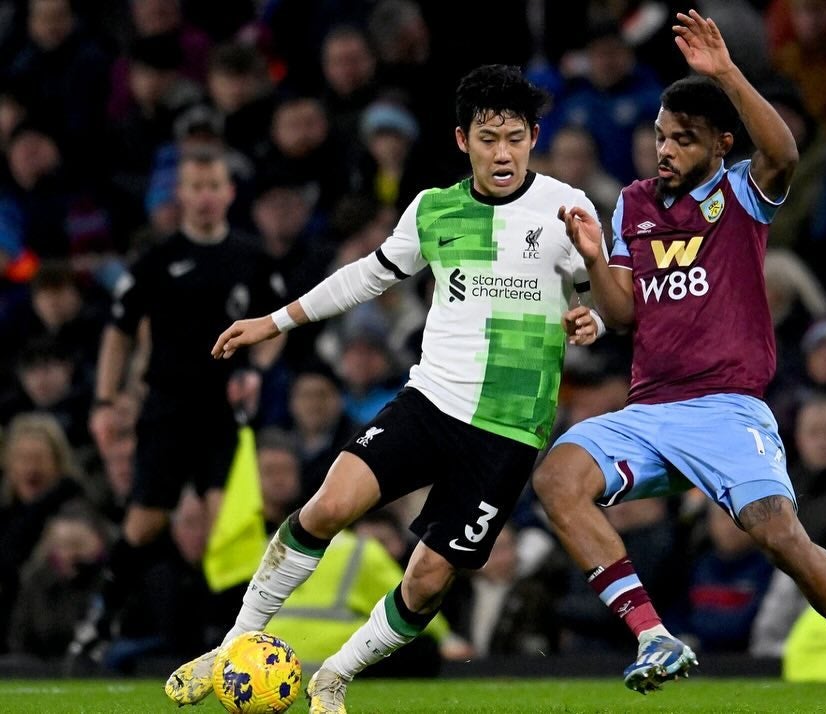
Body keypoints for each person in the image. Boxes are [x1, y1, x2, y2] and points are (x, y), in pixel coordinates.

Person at [164, 64, 604, 713]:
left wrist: (589, 317)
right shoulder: (434, 209)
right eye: (488, 137)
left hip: (510, 428)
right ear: (463, 140)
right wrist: (274, 320)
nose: (502, 151)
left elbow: (605, 298)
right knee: (324, 508)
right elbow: (366, 277)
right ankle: (235, 643)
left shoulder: (568, 211)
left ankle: (334, 677)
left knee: (427, 580)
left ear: (534, 136)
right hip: (430, 403)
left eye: (514, 136)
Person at [532, 10, 826, 712]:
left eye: (682, 140)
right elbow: (625, 314)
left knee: (780, 537)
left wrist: (725, 74)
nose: (664, 150)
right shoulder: (632, 205)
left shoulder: (740, 192)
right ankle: (653, 635)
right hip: (651, 410)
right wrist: (595, 258)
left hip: (726, 407)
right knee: (559, 478)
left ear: (720, 144)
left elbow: (782, 151)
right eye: (659, 136)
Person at [67, 148, 281, 663]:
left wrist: (255, 369)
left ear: (229, 193)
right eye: (196, 187)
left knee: (221, 525)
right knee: (145, 523)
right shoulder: (155, 261)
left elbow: (276, 326)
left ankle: (222, 638)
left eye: (214, 186)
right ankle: (102, 619)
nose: (205, 197)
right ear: (180, 194)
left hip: (222, 410)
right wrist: (103, 399)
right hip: (166, 406)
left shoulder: (250, 257)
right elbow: (118, 333)